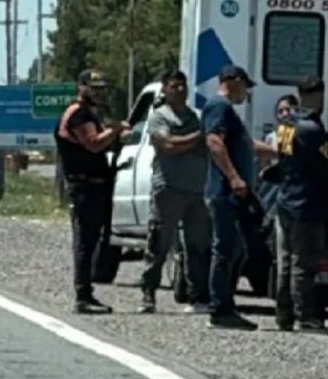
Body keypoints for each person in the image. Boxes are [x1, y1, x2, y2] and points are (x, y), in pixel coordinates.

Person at [266, 75, 328, 332]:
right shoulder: (311, 128)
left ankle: (284, 314)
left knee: (285, 263)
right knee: (304, 264)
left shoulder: (286, 124)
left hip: (286, 200)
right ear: (318, 94)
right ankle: (306, 316)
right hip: (306, 203)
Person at [202, 64, 273, 330]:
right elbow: (214, 142)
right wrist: (233, 177)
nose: (247, 92)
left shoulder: (229, 112)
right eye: (245, 85)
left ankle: (226, 303)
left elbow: (246, 144)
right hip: (224, 192)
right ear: (232, 81)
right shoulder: (218, 107)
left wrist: (278, 153)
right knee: (225, 249)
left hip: (233, 194)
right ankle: (219, 308)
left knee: (238, 248)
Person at [55, 69, 130, 314]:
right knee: (85, 242)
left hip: (95, 185)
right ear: (81, 86)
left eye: (101, 88)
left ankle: (87, 293)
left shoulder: (89, 113)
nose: (98, 93)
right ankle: (82, 295)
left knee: (93, 239)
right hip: (84, 185)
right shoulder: (77, 113)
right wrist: (116, 130)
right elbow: (94, 143)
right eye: (93, 88)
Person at [138, 70, 212, 314]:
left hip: (196, 190)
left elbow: (204, 147)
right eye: (174, 86)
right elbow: (167, 145)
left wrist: (189, 141)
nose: (180, 90)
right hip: (168, 188)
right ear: (165, 90)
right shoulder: (159, 117)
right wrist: (194, 139)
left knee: (197, 246)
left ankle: (198, 296)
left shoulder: (194, 117)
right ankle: (148, 294)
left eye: (183, 86)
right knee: (159, 242)